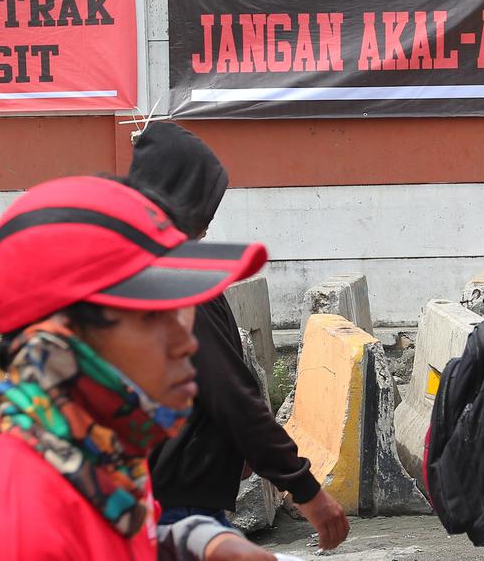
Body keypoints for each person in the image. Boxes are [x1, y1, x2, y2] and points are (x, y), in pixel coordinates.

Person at [0, 176, 276, 560]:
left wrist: (203, 542)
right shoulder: (14, 528)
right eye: (153, 317)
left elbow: (117, 538)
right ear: (65, 339)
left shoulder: (93, 450)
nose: (187, 342)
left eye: (185, 312)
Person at [132, 123, 349, 548]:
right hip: (179, 500)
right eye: (205, 201)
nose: (209, 221)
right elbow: (230, 392)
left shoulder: (126, 266)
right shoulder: (178, 278)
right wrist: (305, 489)